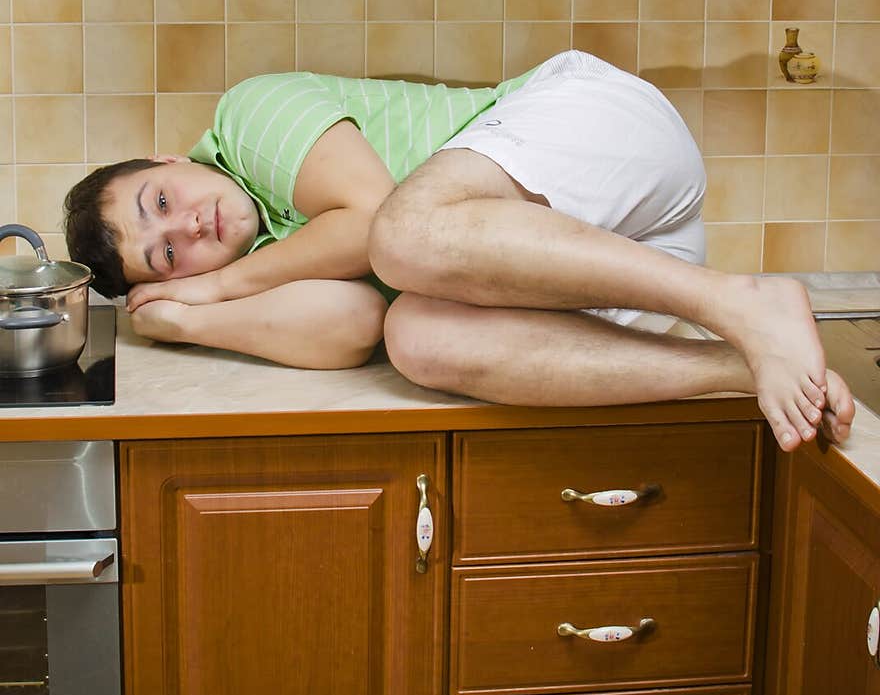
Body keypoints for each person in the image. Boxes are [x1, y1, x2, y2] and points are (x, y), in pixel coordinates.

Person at [63, 50, 855, 454]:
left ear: (169, 160)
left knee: (402, 235)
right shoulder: (267, 254)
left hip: (603, 135)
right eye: (166, 257)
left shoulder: (250, 116)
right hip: (603, 258)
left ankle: (738, 301)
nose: (187, 229)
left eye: (160, 203)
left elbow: (373, 217)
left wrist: (222, 283)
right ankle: (742, 362)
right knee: (415, 338)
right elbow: (351, 325)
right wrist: (192, 320)